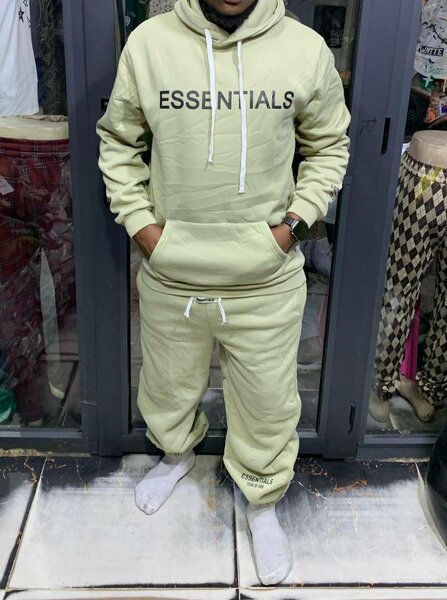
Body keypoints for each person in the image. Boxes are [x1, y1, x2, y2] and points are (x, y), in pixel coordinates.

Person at [97, 0, 350, 585]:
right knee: (167, 385)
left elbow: (329, 146)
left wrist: (293, 227)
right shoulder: (149, 44)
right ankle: (176, 456)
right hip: (173, 272)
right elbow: (118, 143)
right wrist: (144, 229)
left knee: (267, 403)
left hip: (265, 279)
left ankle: (261, 501)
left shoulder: (304, 49)